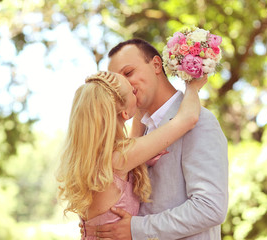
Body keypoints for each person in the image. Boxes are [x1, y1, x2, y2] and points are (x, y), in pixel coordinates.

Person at [91, 39, 229, 240]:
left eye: (128, 73)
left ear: (157, 65)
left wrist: (137, 229)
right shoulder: (139, 133)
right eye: (117, 81)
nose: (124, 86)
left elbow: (210, 208)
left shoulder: (199, 122)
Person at [57, 70, 207, 240]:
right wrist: (193, 87)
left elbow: (135, 135)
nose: (135, 88)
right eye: (132, 92)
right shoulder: (121, 157)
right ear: (125, 114)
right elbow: (188, 118)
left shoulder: (98, 158)